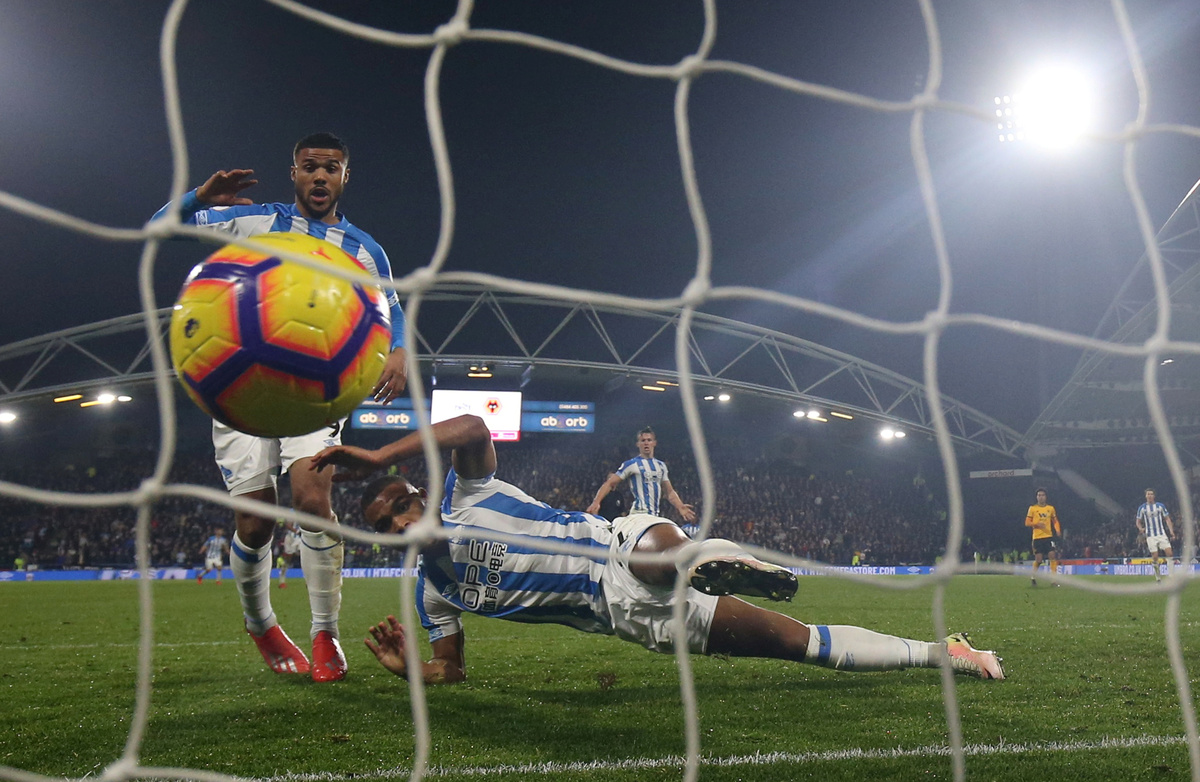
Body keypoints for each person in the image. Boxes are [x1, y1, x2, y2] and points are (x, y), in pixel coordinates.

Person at [310, 414, 1005, 686]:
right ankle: (945, 652)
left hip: (622, 543)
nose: (399, 519)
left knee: (658, 555)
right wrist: (410, 669)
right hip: (625, 617)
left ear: (421, 495)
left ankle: (706, 561)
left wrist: (376, 454)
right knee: (800, 644)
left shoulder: (471, 493)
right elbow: (451, 670)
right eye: (385, 521)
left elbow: (468, 427)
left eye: (400, 501)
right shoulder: (434, 595)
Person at [153, 132, 410, 682]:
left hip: (316, 388)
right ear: (293, 172)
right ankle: (261, 623)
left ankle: (325, 634)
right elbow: (158, 228)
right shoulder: (255, 221)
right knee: (255, 521)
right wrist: (199, 197)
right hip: (239, 384)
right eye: (310, 166)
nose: (320, 176)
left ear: (345, 177)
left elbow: (390, 304)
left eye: (331, 168)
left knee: (313, 499)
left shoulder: (363, 249)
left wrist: (400, 349)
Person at [587, 427, 696, 524]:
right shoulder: (631, 464)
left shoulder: (661, 466)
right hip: (638, 515)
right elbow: (610, 483)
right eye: (643, 440)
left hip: (655, 516)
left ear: (654, 443)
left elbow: (670, 492)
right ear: (638, 444)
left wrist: (680, 506)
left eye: (649, 440)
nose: (646, 443)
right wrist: (596, 502)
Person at [1136, 488, 1177, 582]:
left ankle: (1171, 577)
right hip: (1150, 536)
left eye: (1151, 494)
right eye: (1148, 494)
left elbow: (1167, 519)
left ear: (1154, 496)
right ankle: (1158, 578)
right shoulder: (1142, 508)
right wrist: (1140, 528)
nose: (1150, 496)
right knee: (1155, 557)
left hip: (1161, 534)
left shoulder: (1160, 506)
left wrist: (1171, 531)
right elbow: (1138, 521)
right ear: (1145, 496)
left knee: (1170, 553)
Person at [1024, 488, 1061, 587]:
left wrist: (1057, 530)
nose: (1041, 497)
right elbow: (1027, 522)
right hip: (1037, 538)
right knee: (1039, 560)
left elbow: (1055, 521)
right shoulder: (1032, 508)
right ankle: (1033, 577)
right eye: (1039, 495)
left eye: (1042, 495)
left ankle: (1054, 581)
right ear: (1036, 497)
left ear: (1046, 497)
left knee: (1052, 556)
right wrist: (1037, 524)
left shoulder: (1050, 508)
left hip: (1048, 537)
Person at [276, 521, 302, 589]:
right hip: (290, 538)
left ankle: (309, 581)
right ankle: (282, 581)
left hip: (300, 538)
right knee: (287, 560)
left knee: (305, 557)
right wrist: (296, 531)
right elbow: (288, 524)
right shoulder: (293, 515)